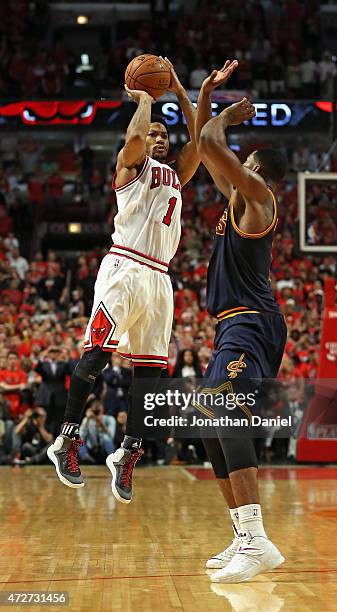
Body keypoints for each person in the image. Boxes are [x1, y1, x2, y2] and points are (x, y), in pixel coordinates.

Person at [48, 57, 200, 501]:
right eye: (153, 131)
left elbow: (201, 142)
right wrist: (147, 99)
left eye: (162, 135)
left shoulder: (176, 173)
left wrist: (180, 94)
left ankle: (127, 453)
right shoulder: (129, 166)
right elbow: (134, 135)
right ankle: (67, 439)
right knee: (97, 356)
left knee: (152, 377)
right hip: (124, 267)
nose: (156, 137)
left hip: (159, 279)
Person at [195, 61, 288, 583]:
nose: (234, 165)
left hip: (251, 323)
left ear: (257, 171)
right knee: (207, 422)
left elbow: (211, 142)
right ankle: (243, 535)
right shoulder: (235, 197)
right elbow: (203, 142)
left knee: (225, 413)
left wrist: (225, 114)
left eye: (243, 160)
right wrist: (205, 93)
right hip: (234, 324)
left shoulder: (258, 198)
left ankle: (256, 539)